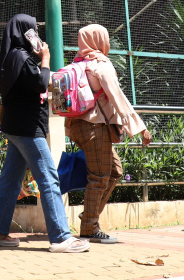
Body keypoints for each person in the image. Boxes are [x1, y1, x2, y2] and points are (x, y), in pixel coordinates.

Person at [0, 14, 89, 253]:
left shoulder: (10, 58)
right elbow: (41, 83)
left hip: (15, 127)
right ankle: (61, 237)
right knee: (49, 178)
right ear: (23, 32)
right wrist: (46, 58)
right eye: (33, 30)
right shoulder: (22, 58)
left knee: (10, 180)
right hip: (28, 129)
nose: (36, 35)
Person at [65, 24, 151, 244]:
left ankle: (90, 215)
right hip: (94, 127)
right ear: (99, 40)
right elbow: (117, 96)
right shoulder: (100, 65)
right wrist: (139, 127)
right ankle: (90, 227)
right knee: (100, 176)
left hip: (77, 127)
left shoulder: (78, 63)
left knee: (114, 170)